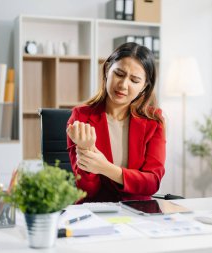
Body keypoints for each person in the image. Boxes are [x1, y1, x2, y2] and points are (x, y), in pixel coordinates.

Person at [66, 42, 166, 203]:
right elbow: (87, 191)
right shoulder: (81, 117)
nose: (123, 85)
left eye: (134, 80)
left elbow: (152, 183)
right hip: (95, 211)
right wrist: (86, 150)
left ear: (144, 87)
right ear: (107, 70)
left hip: (137, 211)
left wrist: (104, 167)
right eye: (119, 73)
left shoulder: (154, 121)